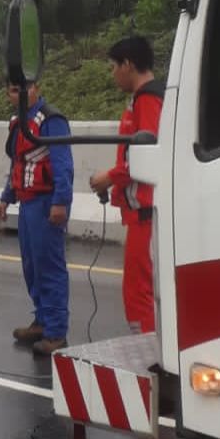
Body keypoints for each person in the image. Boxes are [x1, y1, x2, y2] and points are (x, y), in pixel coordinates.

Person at [89, 36, 164, 334]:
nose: (113, 74)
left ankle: (148, 358)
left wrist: (109, 177)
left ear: (128, 64)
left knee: (138, 293)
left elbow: (146, 153)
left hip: (145, 212)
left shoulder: (147, 99)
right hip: (144, 212)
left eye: (114, 67)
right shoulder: (150, 97)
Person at [0, 79, 74, 356]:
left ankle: (55, 330)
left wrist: (60, 202)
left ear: (37, 88)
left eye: (26, 89)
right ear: (9, 95)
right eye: (15, 90)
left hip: (45, 203)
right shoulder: (18, 122)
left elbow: (63, 164)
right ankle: (41, 321)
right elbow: (18, 162)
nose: (21, 94)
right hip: (27, 203)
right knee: (32, 267)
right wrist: (7, 196)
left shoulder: (51, 120)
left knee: (49, 266)